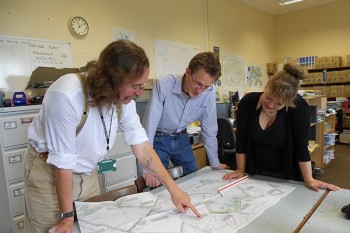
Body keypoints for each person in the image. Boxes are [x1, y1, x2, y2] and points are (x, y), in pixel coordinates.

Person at [24, 40, 201, 233]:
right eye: (136, 86)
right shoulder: (67, 94)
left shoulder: (123, 100)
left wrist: (174, 191)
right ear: (113, 79)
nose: (140, 93)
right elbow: (63, 163)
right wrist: (66, 217)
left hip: (87, 174)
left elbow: (142, 148)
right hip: (51, 174)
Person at [222, 62, 339, 192]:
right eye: (269, 97)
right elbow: (241, 141)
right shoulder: (248, 103)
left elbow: (301, 146)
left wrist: (309, 179)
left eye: (279, 103)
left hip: (286, 175)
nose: (271, 105)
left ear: (289, 102)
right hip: (253, 173)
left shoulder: (298, 106)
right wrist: (240, 170)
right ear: (266, 87)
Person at [141, 51, 229, 188]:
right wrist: (147, 168)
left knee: (193, 178)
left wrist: (215, 163)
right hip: (158, 138)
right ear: (188, 72)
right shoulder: (165, 84)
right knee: (157, 183)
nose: (200, 91)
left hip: (181, 137)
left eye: (206, 87)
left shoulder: (209, 92)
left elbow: (210, 129)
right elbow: (149, 128)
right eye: (198, 83)